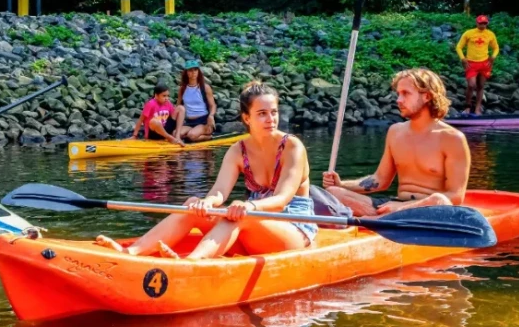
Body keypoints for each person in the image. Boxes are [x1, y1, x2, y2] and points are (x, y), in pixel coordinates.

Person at [96, 81, 316, 259]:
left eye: (274, 112)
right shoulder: (237, 151)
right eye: (262, 113)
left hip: (294, 232)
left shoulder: (292, 146)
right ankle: (131, 252)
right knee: (192, 204)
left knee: (242, 215)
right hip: (255, 231)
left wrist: (248, 205)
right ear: (246, 118)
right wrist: (206, 203)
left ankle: (193, 262)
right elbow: (219, 193)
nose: (271, 119)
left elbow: (281, 199)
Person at [323, 68, 470, 217]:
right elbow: (380, 180)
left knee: (439, 200)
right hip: (394, 203)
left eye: (406, 93)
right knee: (333, 193)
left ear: (427, 96)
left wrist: (403, 208)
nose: (399, 100)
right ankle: (381, 217)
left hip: (428, 208)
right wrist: (341, 184)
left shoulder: (452, 138)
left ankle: (381, 217)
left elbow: (455, 196)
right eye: (398, 94)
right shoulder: (395, 132)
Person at [455, 14, 499, 115]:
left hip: (484, 63)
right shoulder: (469, 33)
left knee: (481, 86)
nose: (483, 25)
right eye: (481, 23)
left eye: (485, 23)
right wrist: (463, 58)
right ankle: (467, 107)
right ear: (477, 23)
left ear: (487, 24)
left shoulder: (490, 34)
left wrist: (493, 57)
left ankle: (478, 108)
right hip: (471, 63)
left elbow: (496, 47)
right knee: (471, 85)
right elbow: (459, 47)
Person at [177, 60, 217, 142]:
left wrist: (211, 116)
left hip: (203, 121)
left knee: (191, 136)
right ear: (186, 72)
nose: (193, 72)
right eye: (190, 70)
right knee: (176, 133)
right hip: (189, 122)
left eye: (195, 70)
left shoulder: (205, 87)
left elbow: (213, 105)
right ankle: (190, 136)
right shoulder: (182, 89)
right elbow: (178, 106)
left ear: (198, 71)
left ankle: (208, 137)